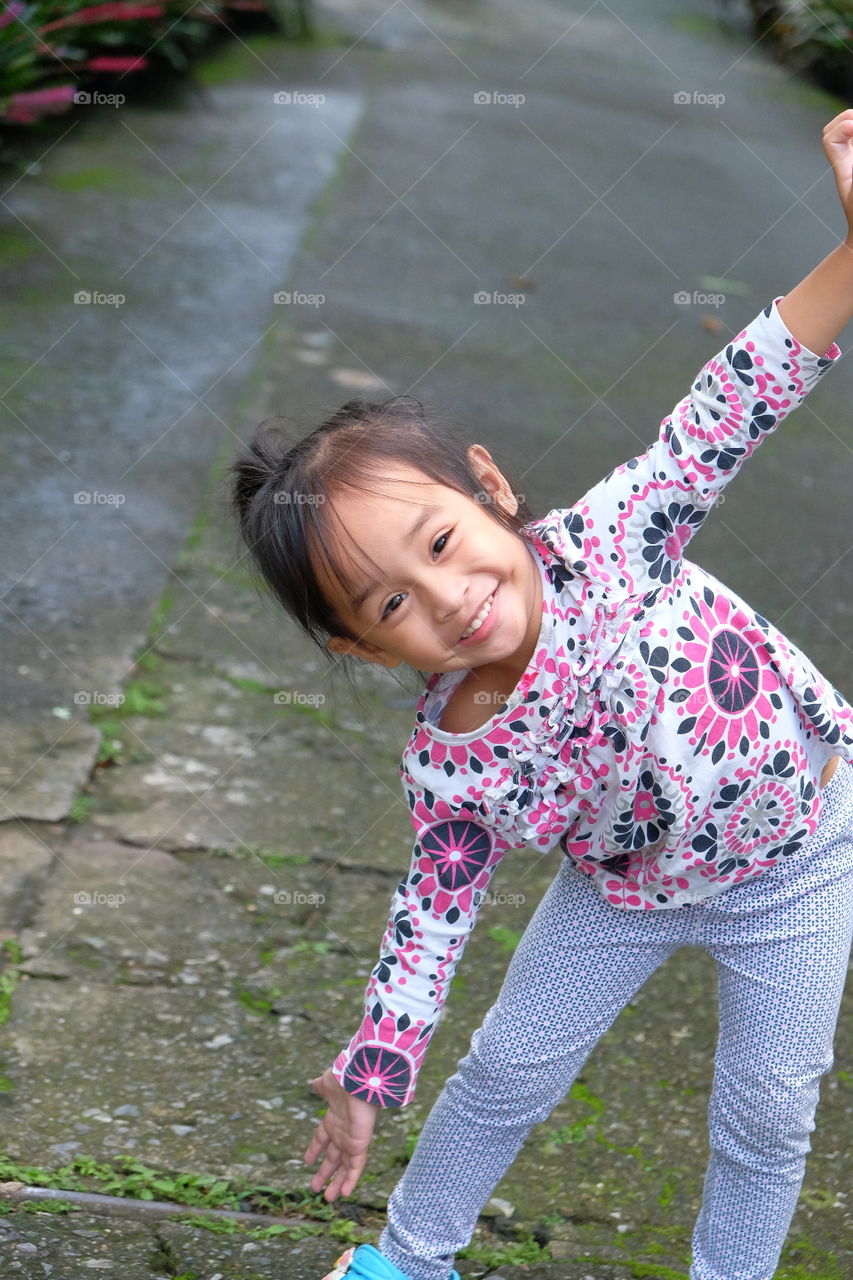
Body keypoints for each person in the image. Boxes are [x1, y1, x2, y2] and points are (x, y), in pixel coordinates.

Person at [229, 110, 853, 1280]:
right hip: (622, 891)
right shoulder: (453, 762)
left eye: (441, 542)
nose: (449, 596)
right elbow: (428, 922)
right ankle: (408, 1258)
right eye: (392, 601)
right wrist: (371, 1070)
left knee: (768, 1112)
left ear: (489, 487)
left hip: (803, 849)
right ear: (366, 648)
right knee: (505, 1070)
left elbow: (732, 400)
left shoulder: (616, 537)